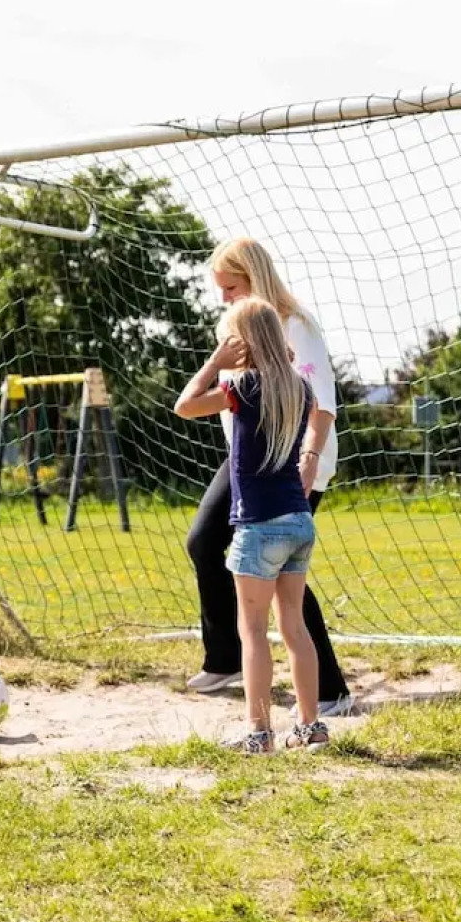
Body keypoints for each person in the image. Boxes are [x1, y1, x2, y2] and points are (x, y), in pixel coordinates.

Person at [184, 238, 353, 716]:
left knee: (279, 569)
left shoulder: (296, 325)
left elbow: (323, 403)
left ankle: (330, 691)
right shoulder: (235, 327)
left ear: (254, 278)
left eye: (231, 287)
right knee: (203, 542)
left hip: (297, 459)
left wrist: (309, 456)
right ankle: (227, 659)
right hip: (248, 460)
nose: (224, 298)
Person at [175, 298, 328, 752]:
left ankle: (258, 734)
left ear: (242, 344)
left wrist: (214, 363)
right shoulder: (300, 390)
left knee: (253, 633)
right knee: (295, 630)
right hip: (298, 522)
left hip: (258, 527)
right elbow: (320, 415)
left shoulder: (241, 387)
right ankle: (309, 726)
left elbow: (185, 406)